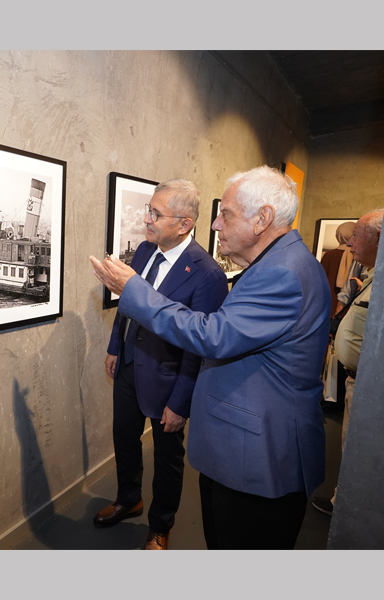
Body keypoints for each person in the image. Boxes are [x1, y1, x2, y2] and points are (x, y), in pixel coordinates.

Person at [90, 165, 331, 549]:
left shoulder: (281, 273)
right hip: (240, 444)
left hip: (257, 454)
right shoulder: (273, 266)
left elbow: (211, 335)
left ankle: (159, 527)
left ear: (262, 219)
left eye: (227, 214)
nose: (216, 224)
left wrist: (133, 289)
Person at [93, 179, 228, 550]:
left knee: (167, 458)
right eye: (148, 210)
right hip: (129, 366)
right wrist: (115, 346)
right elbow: (128, 304)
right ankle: (128, 498)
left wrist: (181, 402)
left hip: (169, 379)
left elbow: (200, 345)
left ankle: (160, 526)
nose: (146, 218)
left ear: (184, 224)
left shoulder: (208, 274)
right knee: (124, 437)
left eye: (156, 213)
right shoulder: (143, 251)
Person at [311, 208, 383, 517]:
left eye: (356, 236)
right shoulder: (370, 275)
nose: (350, 244)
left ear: (378, 239)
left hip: (371, 386)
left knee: (359, 452)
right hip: (356, 380)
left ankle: (349, 513)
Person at [320, 221, 356, 317]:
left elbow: (320, 281)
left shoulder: (329, 255)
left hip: (328, 303)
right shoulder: (358, 256)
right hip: (350, 306)